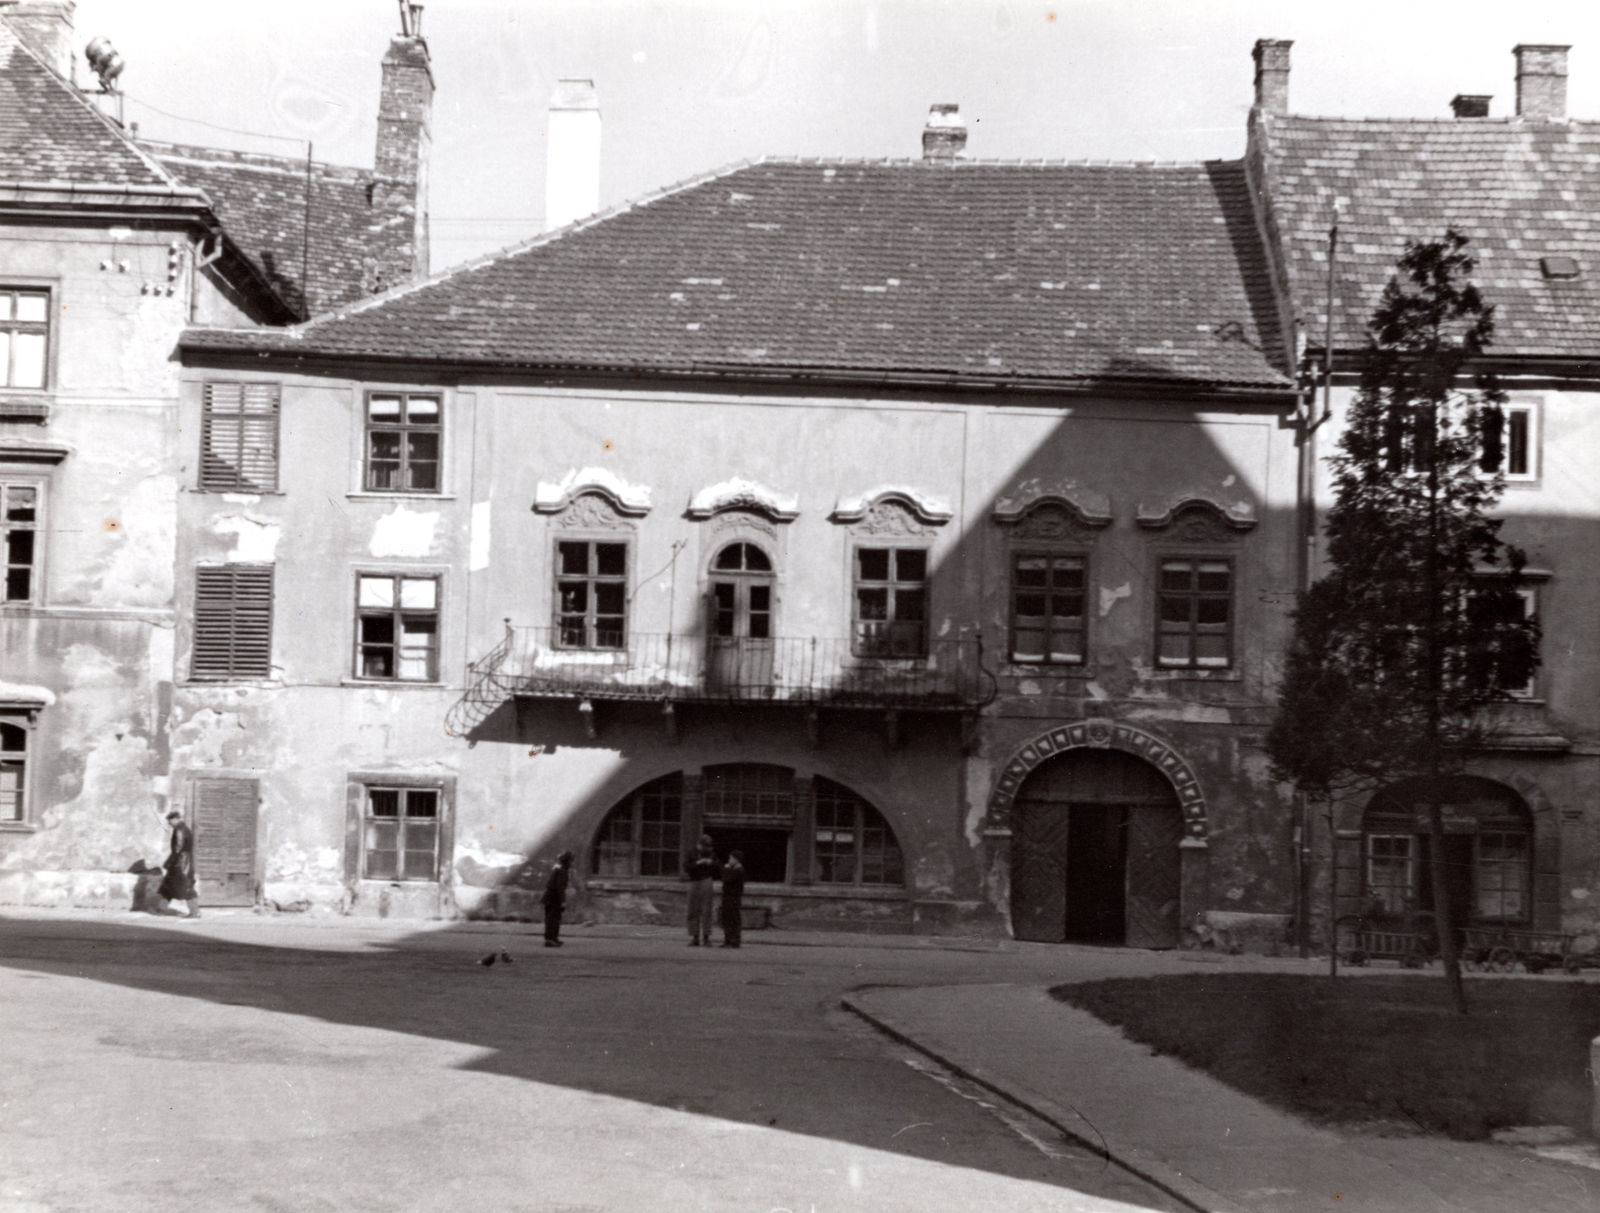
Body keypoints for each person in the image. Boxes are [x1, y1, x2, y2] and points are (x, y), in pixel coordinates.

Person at [155, 809, 200, 918]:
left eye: (170, 821)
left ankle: (195, 912)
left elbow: (177, 849)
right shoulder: (184, 829)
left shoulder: (179, 830)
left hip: (180, 864)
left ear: (176, 819)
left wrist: (169, 863)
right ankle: (161, 908)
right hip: (183, 862)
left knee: (186, 887)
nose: (169, 824)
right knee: (168, 885)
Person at [685, 834, 717, 946]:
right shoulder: (691, 852)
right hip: (693, 881)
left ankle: (706, 936)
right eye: (705, 845)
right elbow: (686, 867)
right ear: (699, 844)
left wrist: (710, 862)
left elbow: (717, 866)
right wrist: (697, 863)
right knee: (693, 909)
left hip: (706, 880)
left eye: (708, 846)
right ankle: (695, 936)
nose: (707, 848)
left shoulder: (711, 853)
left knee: (706, 909)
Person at [541, 851, 574, 947]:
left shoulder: (560, 869)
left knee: (555, 918)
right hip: (553, 898)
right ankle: (550, 940)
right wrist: (563, 901)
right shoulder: (562, 871)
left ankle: (554, 938)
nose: (572, 863)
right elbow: (560, 887)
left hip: (552, 897)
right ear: (567, 862)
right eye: (571, 861)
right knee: (552, 919)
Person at [719, 849, 746, 949]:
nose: (729, 861)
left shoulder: (738, 870)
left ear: (736, 859)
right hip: (729, 896)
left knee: (732, 918)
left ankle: (733, 940)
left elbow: (726, 879)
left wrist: (726, 869)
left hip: (732, 897)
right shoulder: (736, 870)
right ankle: (729, 939)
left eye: (730, 858)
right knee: (727, 918)